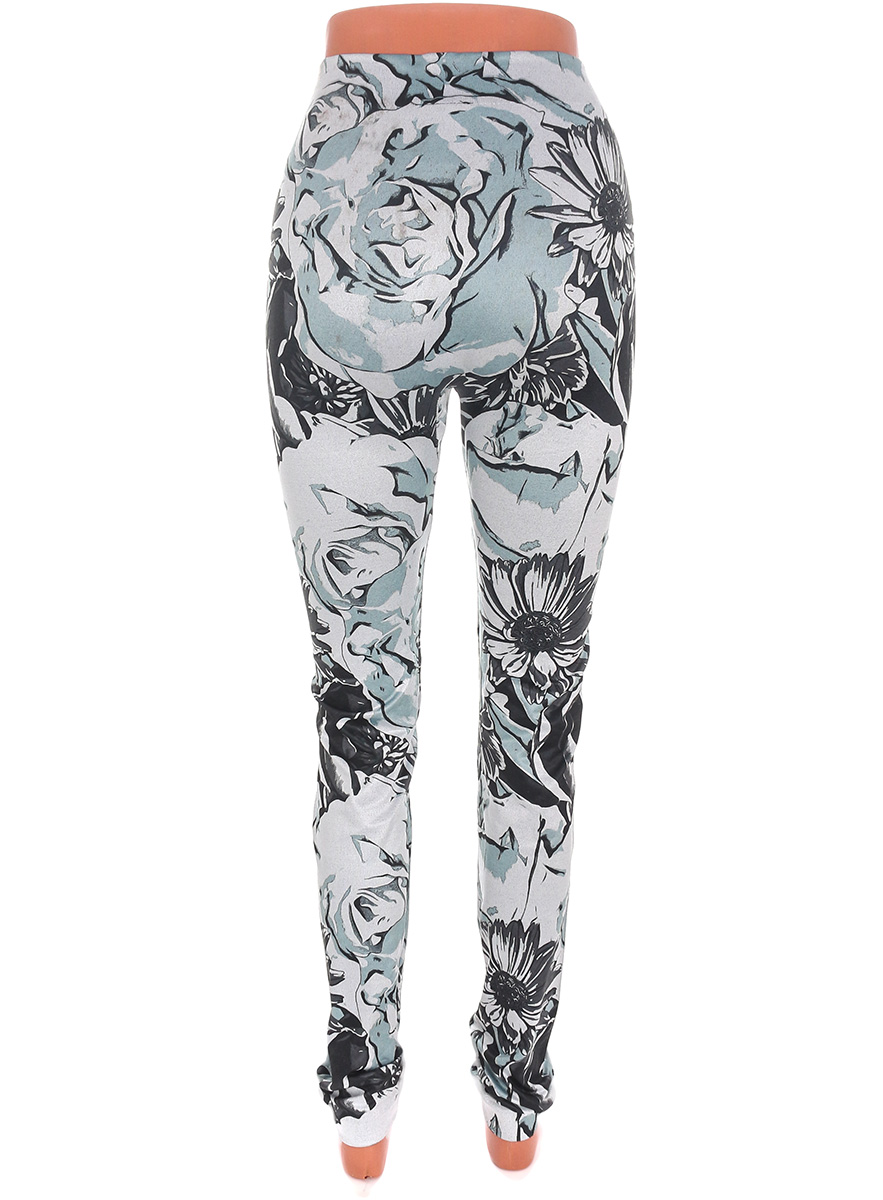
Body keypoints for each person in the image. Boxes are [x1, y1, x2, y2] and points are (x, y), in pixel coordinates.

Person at [264, 3, 637, 1178]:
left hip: (356, 161)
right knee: (531, 693)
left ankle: (367, 1097)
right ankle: (508, 1099)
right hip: (550, 170)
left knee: (363, 697)